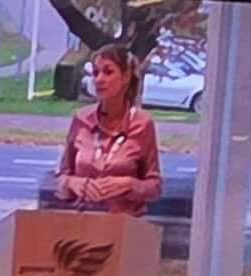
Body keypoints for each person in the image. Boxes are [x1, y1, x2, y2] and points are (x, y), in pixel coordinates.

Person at [45, 46, 165, 216]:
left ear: (125, 77)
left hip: (123, 227)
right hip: (81, 224)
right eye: (95, 73)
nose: (99, 79)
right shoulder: (81, 119)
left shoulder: (142, 124)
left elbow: (154, 187)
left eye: (108, 72)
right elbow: (61, 178)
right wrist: (73, 184)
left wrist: (128, 184)